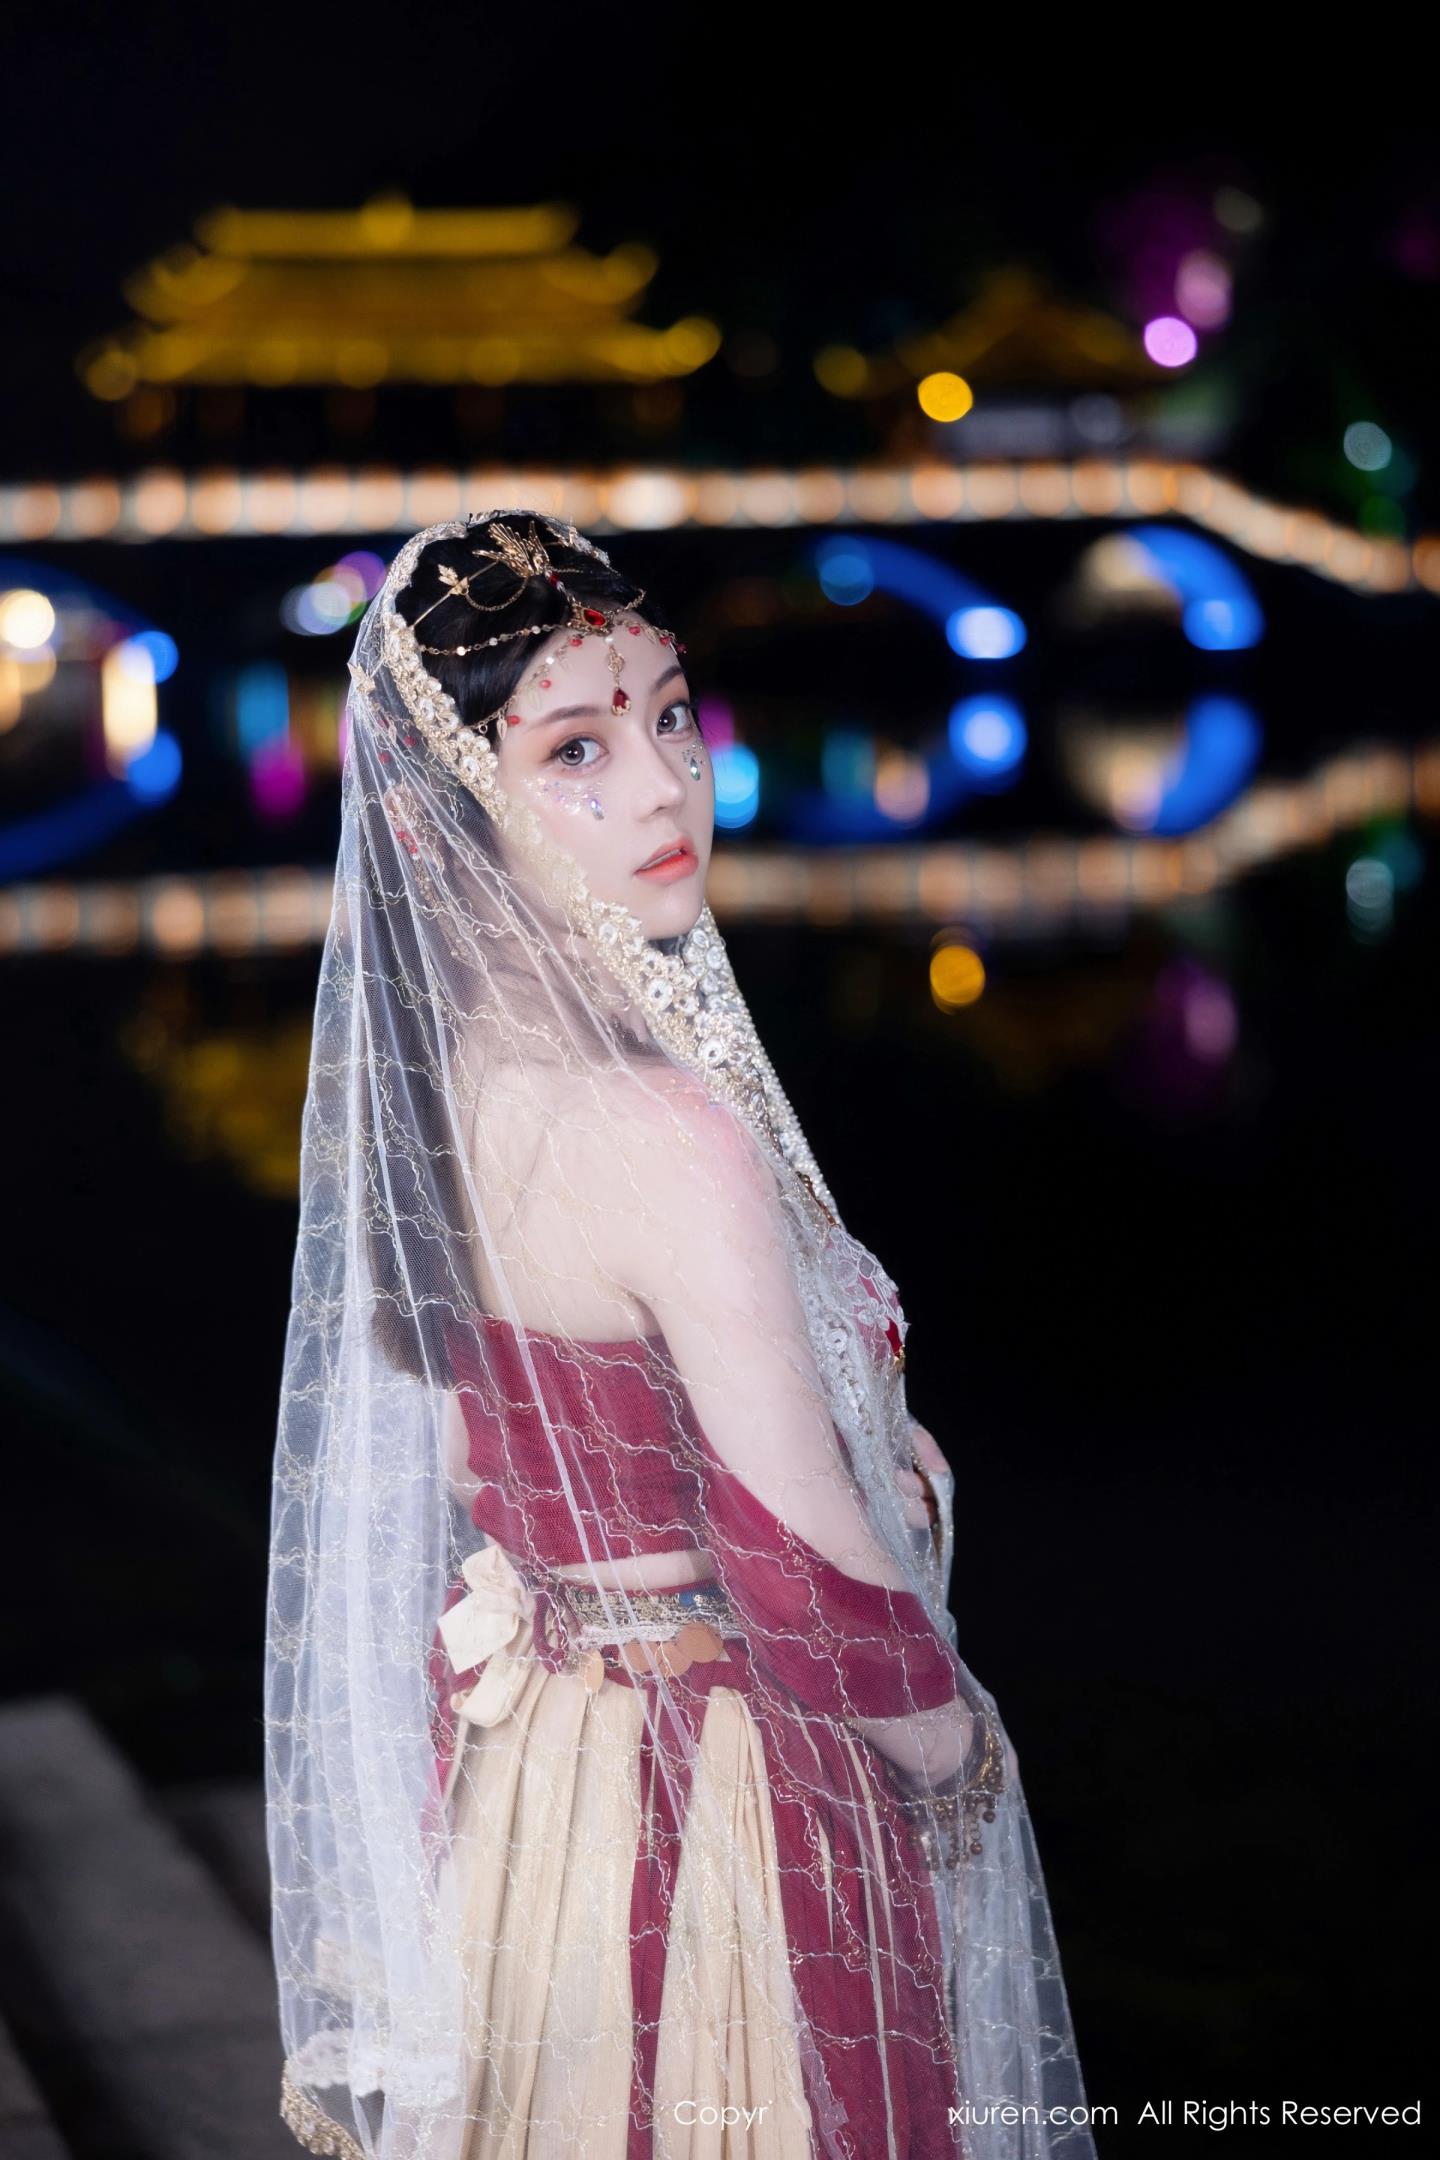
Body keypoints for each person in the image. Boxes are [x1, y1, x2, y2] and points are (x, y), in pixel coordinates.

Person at [265, 510, 1098, 2160]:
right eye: (575, 748)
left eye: (667, 716)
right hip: (723, 1787)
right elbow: (795, 1570)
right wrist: (955, 1751)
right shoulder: (663, 1132)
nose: (663, 788)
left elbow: (484, 1446)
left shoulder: (444, 1090)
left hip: (539, 1771)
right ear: (448, 807)